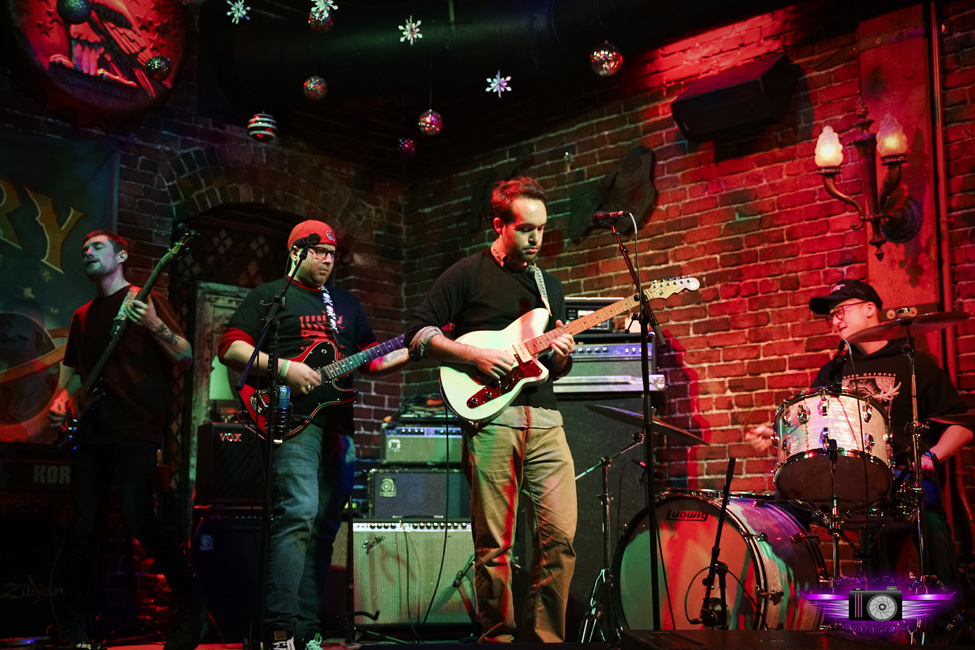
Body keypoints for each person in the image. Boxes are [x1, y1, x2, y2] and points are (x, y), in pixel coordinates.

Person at [218, 220, 408, 650]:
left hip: (338, 423)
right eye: (319, 252)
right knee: (299, 512)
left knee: (325, 525)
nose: (327, 260)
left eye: (332, 254)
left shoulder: (346, 304)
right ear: (296, 252)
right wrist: (285, 368)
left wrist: (414, 349)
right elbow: (231, 348)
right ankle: (279, 629)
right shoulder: (269, 296)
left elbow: (372, 362)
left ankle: (306, 630)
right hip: (291, 420)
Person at [404, 177, 577, 642]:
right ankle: (497, 638)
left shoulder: (549, 285)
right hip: (491, 418)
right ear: (500, 224)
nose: (537, 239)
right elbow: (418, 335)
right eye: (526, 229)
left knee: (559, 539)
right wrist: (474, 356)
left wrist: (561, 354)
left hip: (545, 419)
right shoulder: (467, 273)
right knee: (495, 546)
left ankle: (547, 640)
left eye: (542, 228)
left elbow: (552, 368)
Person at [746, 279, 973, 586]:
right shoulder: (833, 371)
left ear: (870, 309)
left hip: (905, 475)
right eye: (831, 315)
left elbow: (962, 426)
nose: (835, 319)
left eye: (841, 310)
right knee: (787, 502)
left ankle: (951, 616)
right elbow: (812, 429)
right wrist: (780, 434)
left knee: (929, 518)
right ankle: (794, 596)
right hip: (851, 479)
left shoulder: (915, 363)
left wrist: (932, 456)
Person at [48, 230, 207, 650]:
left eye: (96, 246)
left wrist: (154, 325)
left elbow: (186, 354)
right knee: (83, 527)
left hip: (135, 428)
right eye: (83, 249)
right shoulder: (83, 315)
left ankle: (193, 608)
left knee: (140, 518)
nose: (87, 252)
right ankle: (81, 621)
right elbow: (74, 370)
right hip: (93, 432)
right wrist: (61, 397)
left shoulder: (144, 299)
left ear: (121, 255)